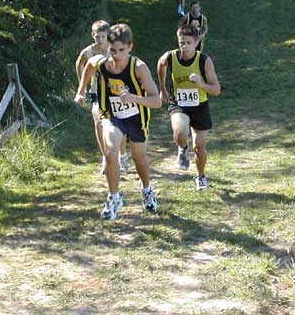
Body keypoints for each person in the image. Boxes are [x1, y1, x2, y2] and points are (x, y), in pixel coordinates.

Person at [75, 24, 161, 219]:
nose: (116, 55)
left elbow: (156, 101)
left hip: (136, 117)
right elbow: (89, 65)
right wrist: (81, 91)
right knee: (111, 152)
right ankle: (114, 198)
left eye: (121, 50)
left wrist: (133, 98)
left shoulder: (138, 68)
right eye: (113, 50)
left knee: (139, 159)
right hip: (111, 115)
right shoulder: (102, 63)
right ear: (108, 47)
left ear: (130, 47)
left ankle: (147, 190)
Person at [157, 25, 221, 191]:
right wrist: (162, 88)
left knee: (199, 147)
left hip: (200, 106)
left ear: (197, 42)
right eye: (181, 43)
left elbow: (216, 90)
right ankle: (182, 147)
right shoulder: (171, 57)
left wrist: (201, 84)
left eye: (188, 43)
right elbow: (161, 64)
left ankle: (200, 176)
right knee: (180, 133)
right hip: (179, 103)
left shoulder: (204, 61)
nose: (184, 46)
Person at [75, 20, 129, 175]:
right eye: (97, 36)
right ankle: (106, 156)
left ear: (108, 36)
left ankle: (123, 155)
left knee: (119, 122)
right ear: (92, 35)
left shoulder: (113, 49)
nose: (100, 40)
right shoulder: (88, 51)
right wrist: (82, 86)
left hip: (114, 90)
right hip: (96, 90)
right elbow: (79, 63)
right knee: (98, 120)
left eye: (103, 37)